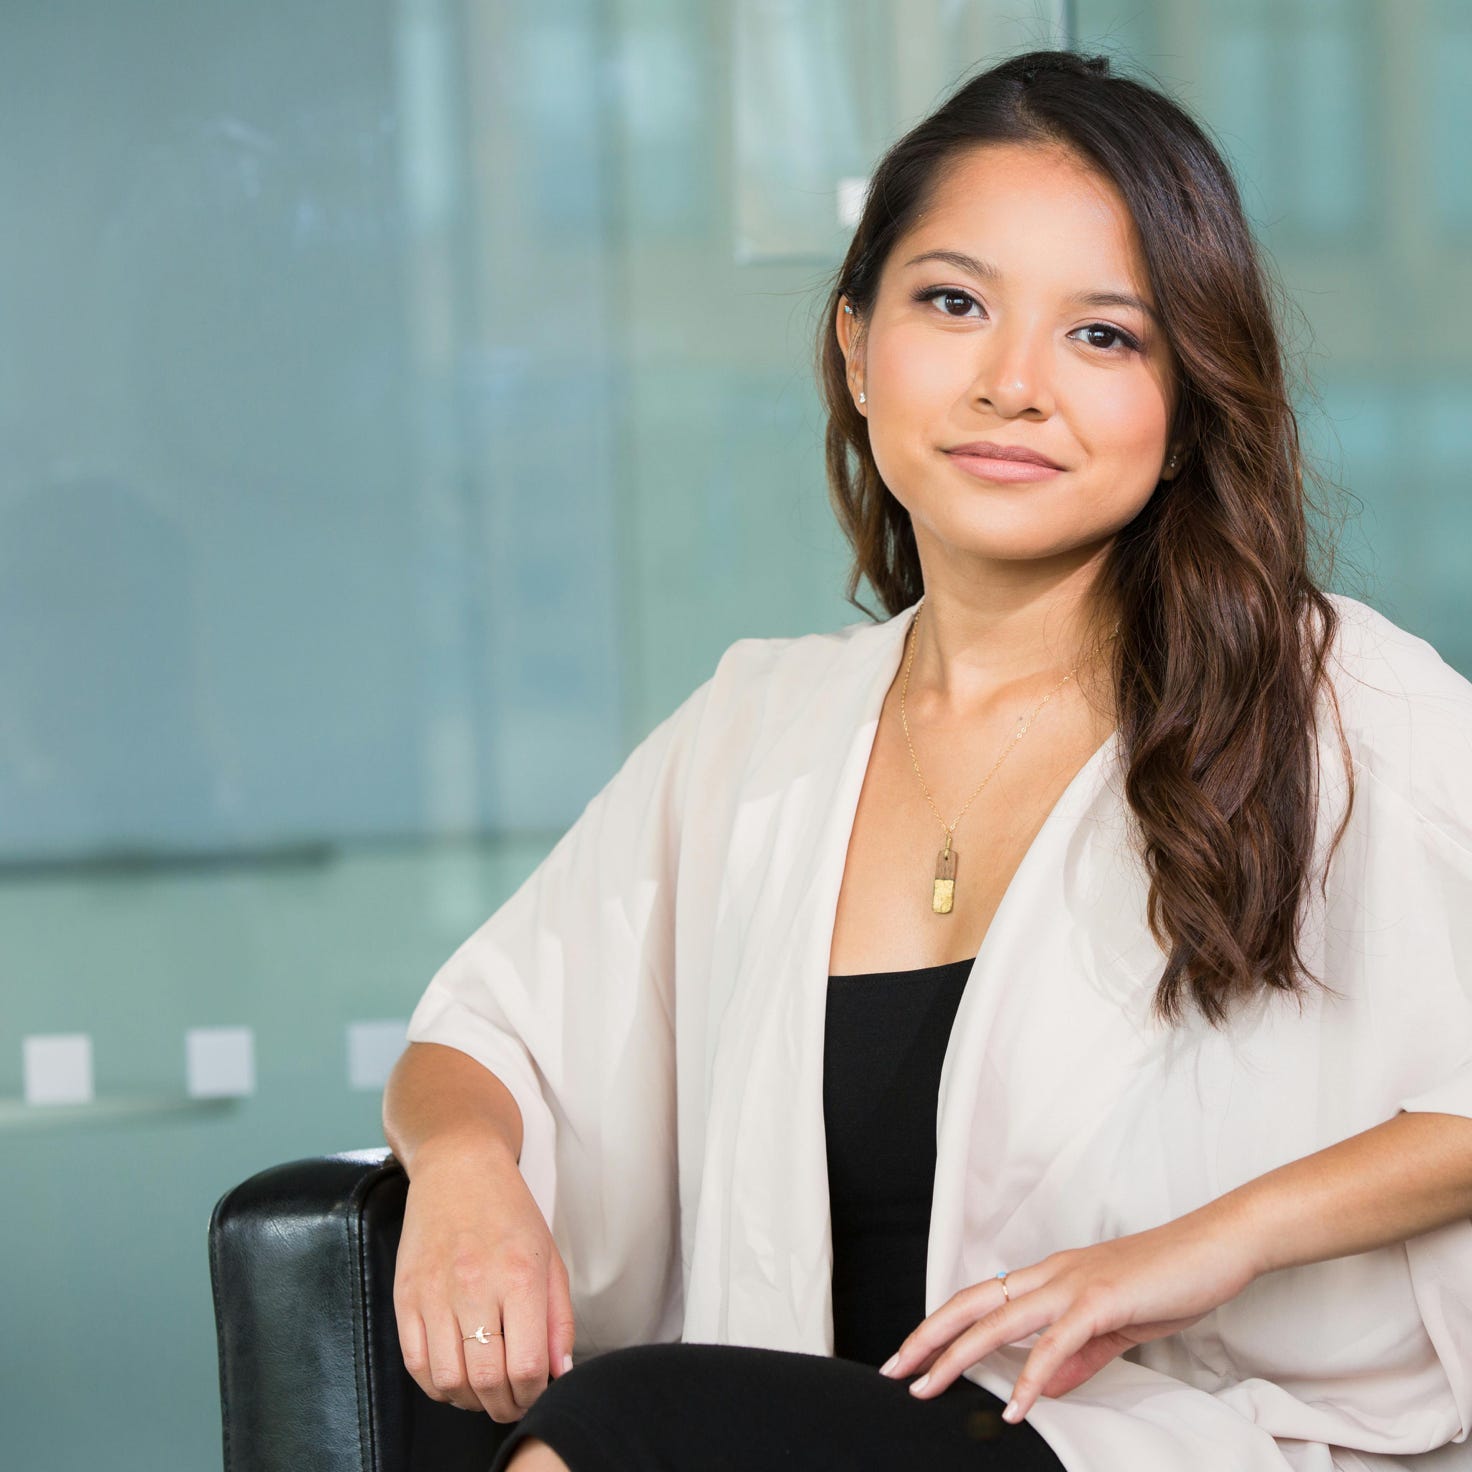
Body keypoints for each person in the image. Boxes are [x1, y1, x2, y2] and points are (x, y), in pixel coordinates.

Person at [381, 48, 1472, 1472]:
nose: (1014, 384)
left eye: (1106, 336)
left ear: (1189, 393)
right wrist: (463, 1171)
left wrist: (1200, 1249)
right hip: (808, 1435)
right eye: (954, 304)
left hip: (1175, 1448)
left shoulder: (1342, 702)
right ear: (854, 343)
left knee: (625, 1428)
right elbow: (482, 1033)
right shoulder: (756, 733)